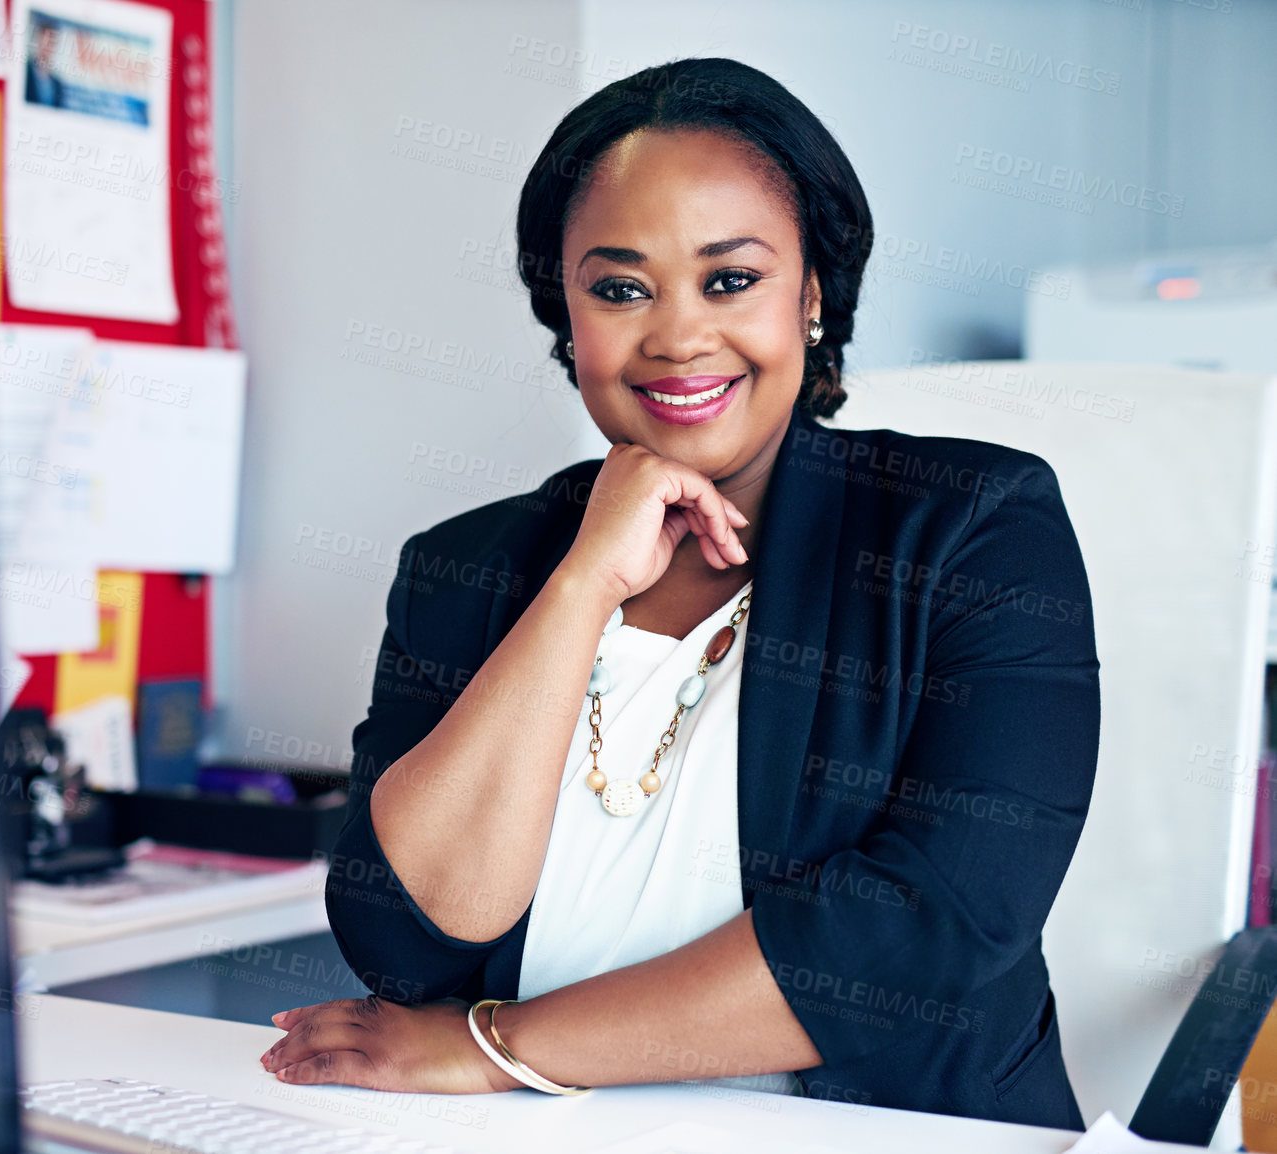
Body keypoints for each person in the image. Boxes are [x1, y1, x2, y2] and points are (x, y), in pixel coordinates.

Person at [260, 57, 1099, 1130]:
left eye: (730, 278)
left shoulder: (974, 524)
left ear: (810, 293)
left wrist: (500, 1048)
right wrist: (581, 584)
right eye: (619, 288)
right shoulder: (463, 564)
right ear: (566, 313)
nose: (676, 334)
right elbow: (410, 934)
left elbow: (930, 927)